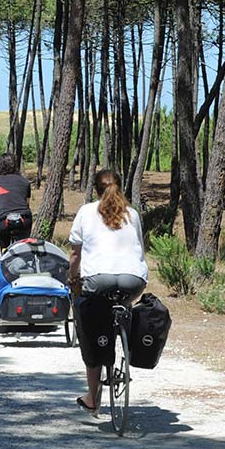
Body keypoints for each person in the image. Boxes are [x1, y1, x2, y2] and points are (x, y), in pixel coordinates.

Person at [69, 169, 148, 415]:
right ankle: (124, 337)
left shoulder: (86, 212)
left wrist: (72, 277)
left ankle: (93, 398)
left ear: (95, 190)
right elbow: (140, 251)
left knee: (89, 323)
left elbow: (75, 255)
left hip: (98, 281)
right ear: (120, 187)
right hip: (133, 280)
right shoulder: (132, 214)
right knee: (121, 305)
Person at [0, 153, 33, 291]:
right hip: (24, 219)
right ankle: (26, 282)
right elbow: (26, 205)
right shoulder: (25, 182)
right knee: (24, 251)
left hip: (3, 221)